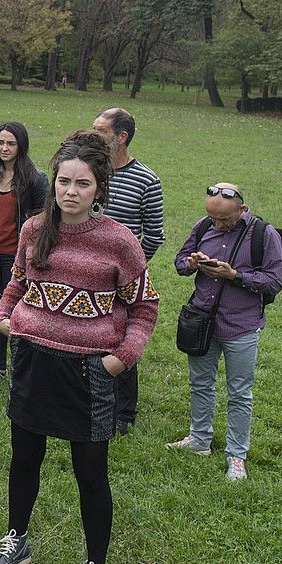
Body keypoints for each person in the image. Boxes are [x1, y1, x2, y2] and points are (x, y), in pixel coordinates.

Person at [0, 130, 159, 564]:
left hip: (89, 374)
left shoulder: (119, 243)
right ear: (53, 182)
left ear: (99, 189)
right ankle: (16, 538)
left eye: (82, 184)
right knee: (24, 460)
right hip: (35, 363)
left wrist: (120, 359)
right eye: (63, 181)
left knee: (90, 473)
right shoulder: (34, 231)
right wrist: (2, 316)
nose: (70, 191)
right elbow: (18, 283)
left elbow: (144, 307)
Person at [166, 183, 282, 481]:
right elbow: (179, 263)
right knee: (200, 383)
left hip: (241, 326)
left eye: (225, 221)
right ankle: (200, 440)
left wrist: (234, 275)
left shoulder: (263, 234)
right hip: (202, 321)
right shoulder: (203, 225)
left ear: (242, 210)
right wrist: (191, 263)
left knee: (240, 393)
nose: (218, 224)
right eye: (213, 218)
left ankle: (237, 455)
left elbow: (273, 282)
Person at [93, 107, 164, 435]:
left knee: (122, 338)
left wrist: (132, 268)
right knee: (92, 333)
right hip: (87, 270)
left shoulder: (147, 179)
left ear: (121, 137)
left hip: (123, 278)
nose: (94, 135)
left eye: (101, 130)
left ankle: (124, 412)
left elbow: (155, 233)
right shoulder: (92, 172)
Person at [0, 121, 47, 387]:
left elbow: (43, 221)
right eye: (1, 142)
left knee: (19, 313)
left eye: (11, 143)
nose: (4, 148)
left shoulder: (35, 180)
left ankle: (20, 369)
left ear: (21, 146)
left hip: (16, 258)